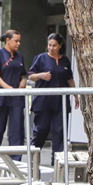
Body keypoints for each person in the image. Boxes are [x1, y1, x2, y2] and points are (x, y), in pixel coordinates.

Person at [27, 33, 79, 163]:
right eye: (49, 45)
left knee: (60, 131)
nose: (51, 48)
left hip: (60, 101)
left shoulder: (65, 60)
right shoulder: (40, 58)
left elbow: (70, 79)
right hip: (43, 100)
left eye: (54, 45)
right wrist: (41, 75)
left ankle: (57, 160)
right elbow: (31, 76)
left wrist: (76, 95)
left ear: (60, 46)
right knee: (41, 129)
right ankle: (33, 157)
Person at [0, 30, 27, 160]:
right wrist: (7, 87)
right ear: (8, 40)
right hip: (1, 95)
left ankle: (16, 160)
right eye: (16, 41)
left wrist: (23, 82)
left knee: (17, 128)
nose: (18, 44)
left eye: (19, 41)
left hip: (16, 96)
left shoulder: (19, 56)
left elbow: (23, 75)